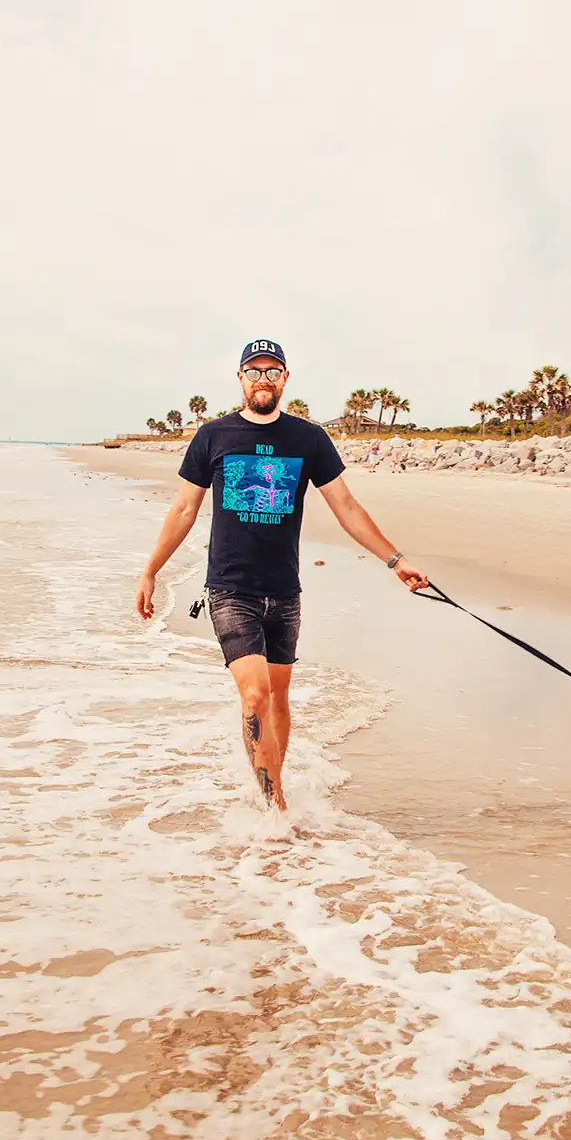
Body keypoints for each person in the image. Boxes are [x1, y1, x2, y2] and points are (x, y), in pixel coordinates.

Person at [136, 339, 429, 810]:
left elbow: (346, 507)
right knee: (254, 696)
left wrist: (396, 561)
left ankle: (273, 786)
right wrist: (151, 570)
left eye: (273, 371)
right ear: (240, 378)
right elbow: (184, 508)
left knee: (278, 700)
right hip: (230, 589)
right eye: (254, 371)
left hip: (284, 592)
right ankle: (276, 809)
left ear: (286, 379)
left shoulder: (308, 439)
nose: (263, 379)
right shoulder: (213, 436)